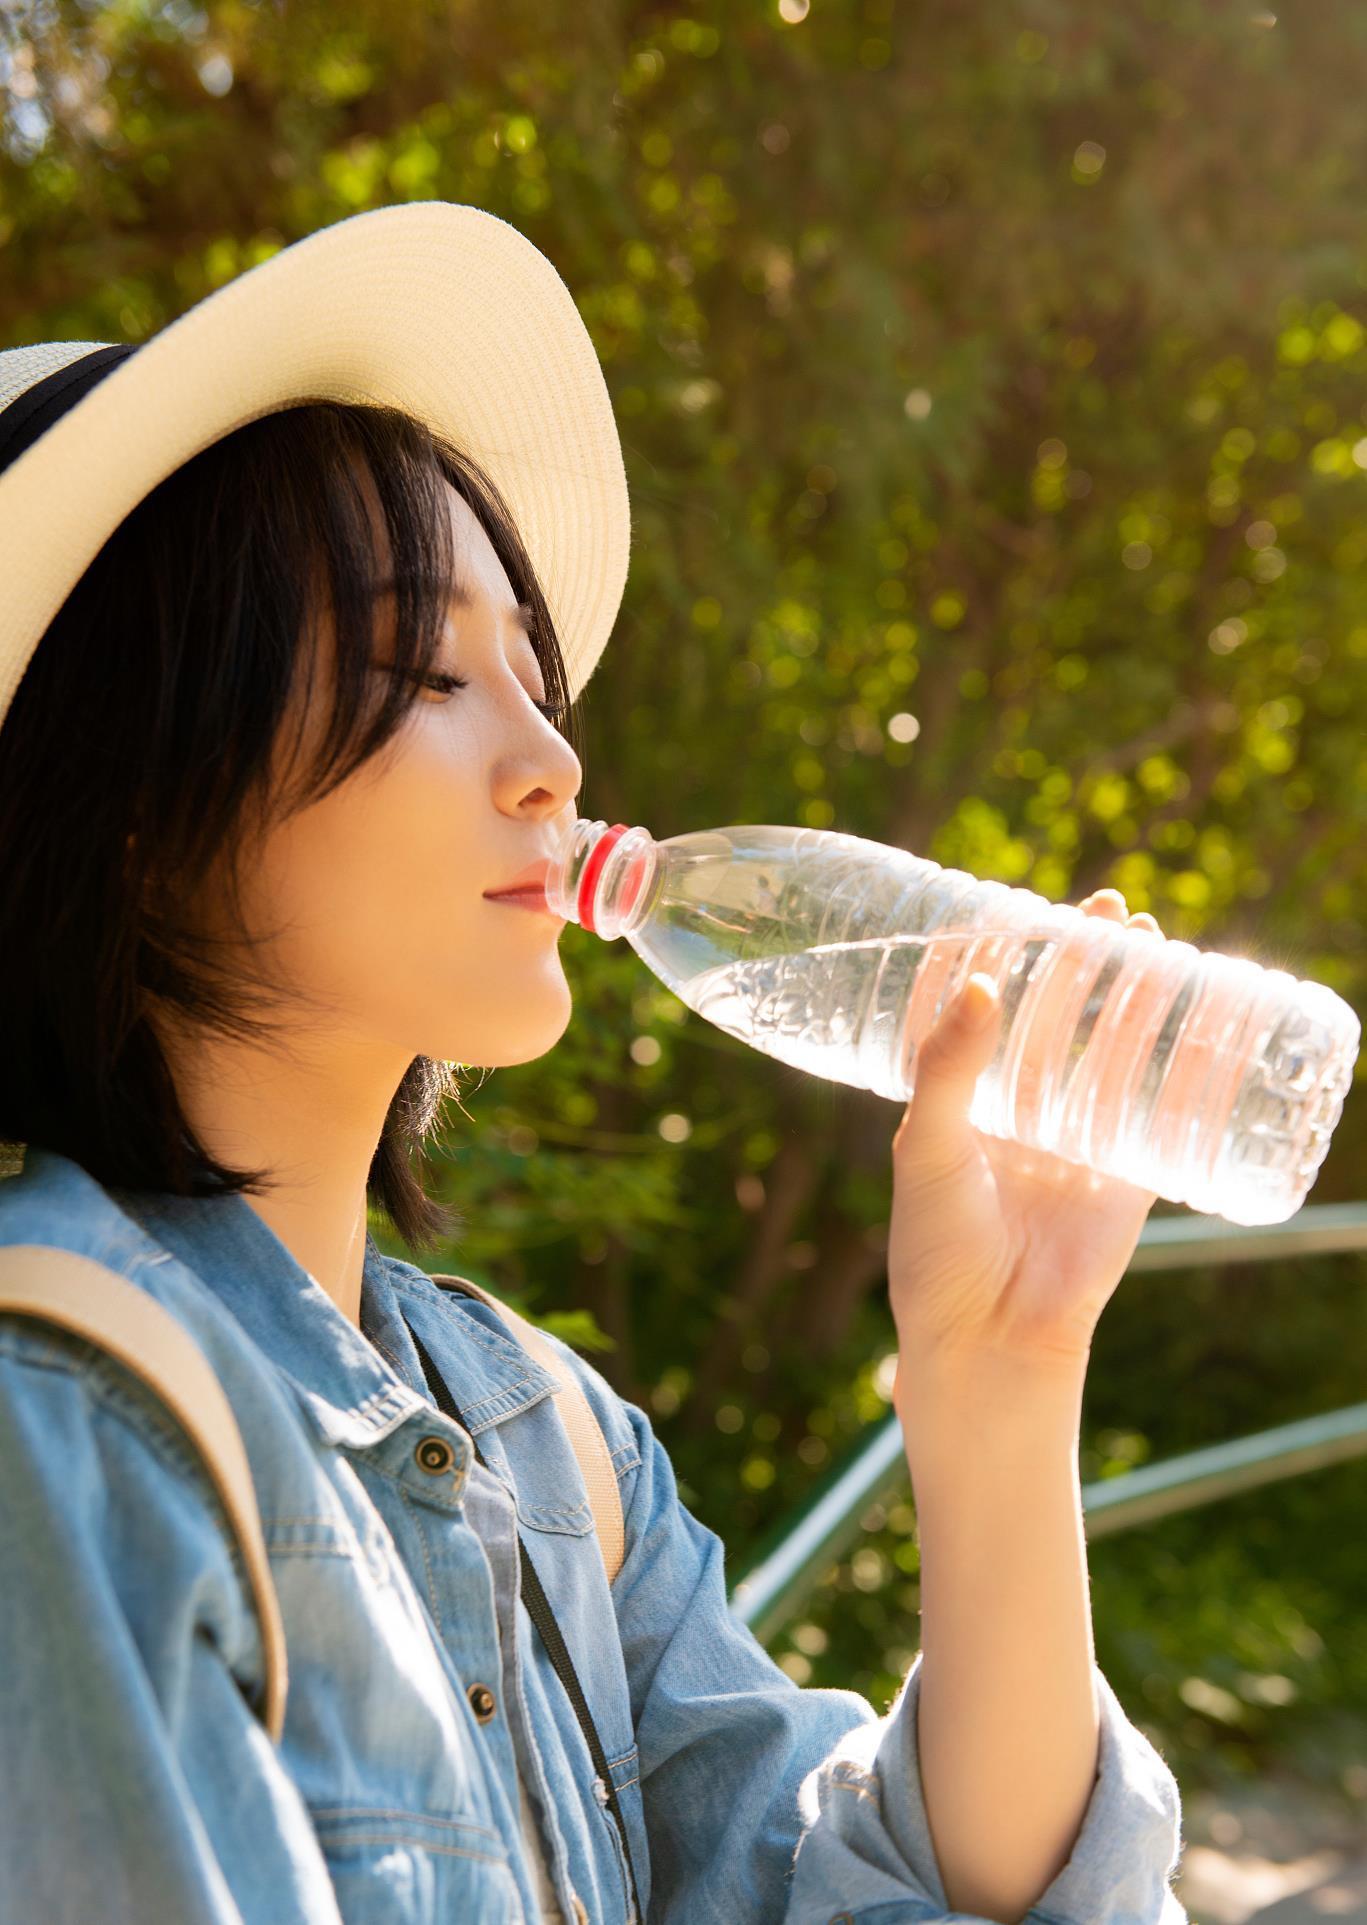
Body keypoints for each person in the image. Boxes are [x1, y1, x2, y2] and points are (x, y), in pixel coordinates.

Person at [0, 202, 1185, 1923]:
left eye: (536, 677)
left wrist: (998, 1386)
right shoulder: (65, 1424)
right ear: (128, 809)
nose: (553, 756)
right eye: (421, 670)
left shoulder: (551, 1441)